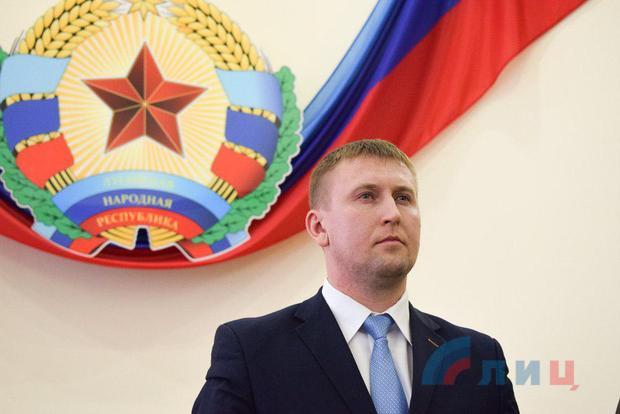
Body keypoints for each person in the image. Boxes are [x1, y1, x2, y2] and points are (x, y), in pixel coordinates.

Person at [192, 139, 519, 413]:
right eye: (367, 196)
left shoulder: (477, 356)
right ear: (319, 227)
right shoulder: (252, 352)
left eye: (403, 197)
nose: (392, 213)